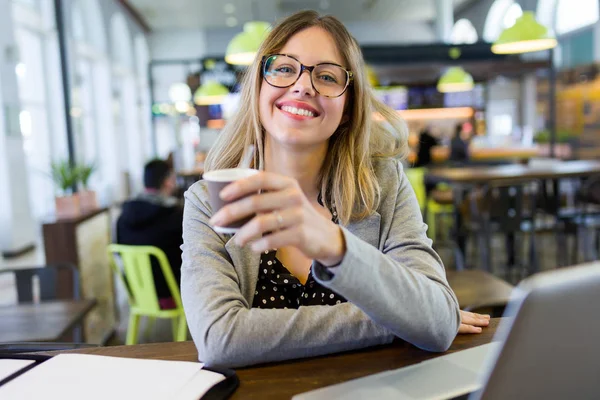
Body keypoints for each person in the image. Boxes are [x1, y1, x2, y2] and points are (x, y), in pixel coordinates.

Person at [181, 11, 489, 368]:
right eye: (284, 68)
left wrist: (335, 246)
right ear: (258, 87)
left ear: (346, 109)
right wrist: (393, 319)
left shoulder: (383, 184)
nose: (303, 85)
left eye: (326, 76)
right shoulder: (209, 201)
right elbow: (220, 339)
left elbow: (436, 321)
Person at [117, 159, 183, 309]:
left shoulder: (122, 218)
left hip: (137, 294)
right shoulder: (176, 216)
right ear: (168, 182)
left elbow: (120, 254)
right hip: (170, 294)